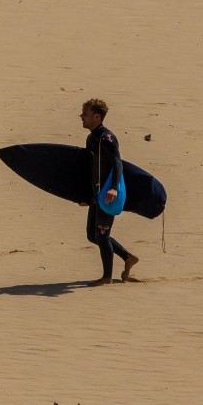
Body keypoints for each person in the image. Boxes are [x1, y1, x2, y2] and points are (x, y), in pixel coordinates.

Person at [79, 98, 140, 285]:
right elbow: (91, 169)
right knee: (92, 235)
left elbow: (117, 163)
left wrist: (113, 187)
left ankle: (107, 277)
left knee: (102, 235)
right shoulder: (91, 138)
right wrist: (85, 196)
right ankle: (127, 257)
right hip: (97, 194)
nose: (81, 116)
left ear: (97, 117)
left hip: (107, 193)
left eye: (86, 114)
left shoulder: (107, 138)